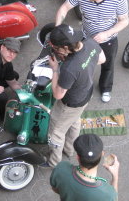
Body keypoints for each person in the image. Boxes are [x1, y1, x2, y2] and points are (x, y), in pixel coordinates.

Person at [55, 0, 129, 103]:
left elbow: (124, 21)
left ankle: (106, 88)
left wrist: (106, 33)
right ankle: (79, 87)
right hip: (85, 37)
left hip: (107, 40)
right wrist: (57, 29)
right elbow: (64, 8)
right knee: (81, 64)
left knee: (107, 65)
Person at [42, 24, 106, 167]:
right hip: (85, 95)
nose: (55, 50)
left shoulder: (69, 68)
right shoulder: (89, 43)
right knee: (75, 121)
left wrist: (55, 70)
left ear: (65, 48)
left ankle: (53, 162)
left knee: (56, 132)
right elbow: (102, 59)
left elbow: (58, 94)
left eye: (56, 48)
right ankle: (70, 150)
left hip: (69, 103)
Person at [50, 134, 119, 201]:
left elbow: (55, 189)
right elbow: (114, 197)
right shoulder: (108, 194)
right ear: (102, 154)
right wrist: (115, 176)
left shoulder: (61, 169)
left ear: (78, 157)